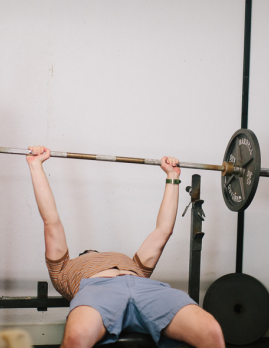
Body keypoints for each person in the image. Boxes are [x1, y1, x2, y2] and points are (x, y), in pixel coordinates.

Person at [26, 146, 225, 348]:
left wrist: (172, 176)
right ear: (82, 257)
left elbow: (163, 230)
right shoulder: (63, 269)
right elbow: (51, 221)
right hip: (96, 292)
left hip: (146, 288)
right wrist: (36, 166)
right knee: (76, 339)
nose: (92, 252)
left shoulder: (132, 263)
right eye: (87, 253)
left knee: (211, 331)